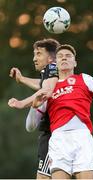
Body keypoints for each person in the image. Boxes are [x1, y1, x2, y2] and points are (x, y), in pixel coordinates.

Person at [25, 44, 93, 179]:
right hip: (59, 140)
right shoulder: (48, 88)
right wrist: (33, 106)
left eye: (68, 56)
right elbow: (30, 127)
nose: (64, 58)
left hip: (82, 138)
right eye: (60, 56)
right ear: (56, 63)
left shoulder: (84, 79)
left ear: (75, 62)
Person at [8, 38, 60, 179]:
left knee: (43, 177)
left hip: (53, 134)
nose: (34, 58)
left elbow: (46, 89)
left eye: (38, 54)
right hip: (55, 132)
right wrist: (22, 79)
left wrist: (21, 103)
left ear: (50, 58)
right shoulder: (52, 71)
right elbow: (43, 84)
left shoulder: (52, 67)